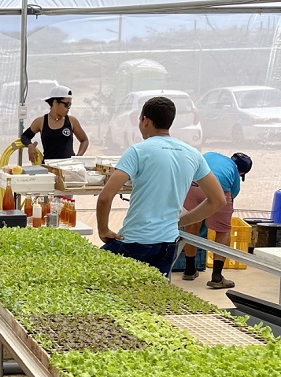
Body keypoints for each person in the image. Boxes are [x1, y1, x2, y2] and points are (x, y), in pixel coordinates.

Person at [96, 96, 226, 277]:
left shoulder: (138, 151)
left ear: (145, 120)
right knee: (155, 296)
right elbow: (218, 200)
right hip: (168, 243)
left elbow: (105, 197)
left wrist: (103, 230)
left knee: (94, 279)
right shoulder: (192, 154)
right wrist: (181, 221)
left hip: (135, 240)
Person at [181, 152, 252, 288]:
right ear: (242, 172)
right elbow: (233, 194)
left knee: (191, 223)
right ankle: (217, 277)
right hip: (220, 189)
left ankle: (189, 270)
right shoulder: (235, 171)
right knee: (223, 231)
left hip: (193, 185)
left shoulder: (211, 155)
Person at [19, 85, 89, 163]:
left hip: (68, 167)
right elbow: (25, 136)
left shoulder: (72, 121)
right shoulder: (40, 122)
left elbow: (84, 140)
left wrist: (78, 158)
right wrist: (30, 145)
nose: (69, 108)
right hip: (49, 167)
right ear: (55, 103)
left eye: (70, 105)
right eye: (67, 104)